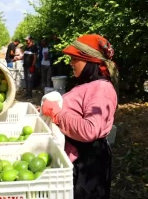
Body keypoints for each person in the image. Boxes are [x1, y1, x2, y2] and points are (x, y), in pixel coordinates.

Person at [41, 34, 119, 199]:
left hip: (88, 164)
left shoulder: (101, 89)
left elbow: (90, 129)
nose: (71, 63)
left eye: (75, 59)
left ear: (90, 60)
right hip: (81, 160)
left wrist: (56, 113)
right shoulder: (90, 85)